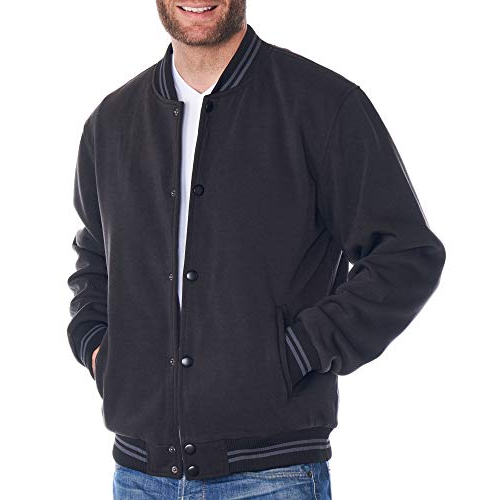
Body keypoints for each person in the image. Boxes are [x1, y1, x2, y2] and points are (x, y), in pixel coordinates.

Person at [66, 1, 446, 498]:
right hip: (140, 477)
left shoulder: (322, 104)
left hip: (272, 478)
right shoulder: (110, 123)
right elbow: (95, 256)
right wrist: (99, 348)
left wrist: (297, 353)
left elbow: (405, 255)